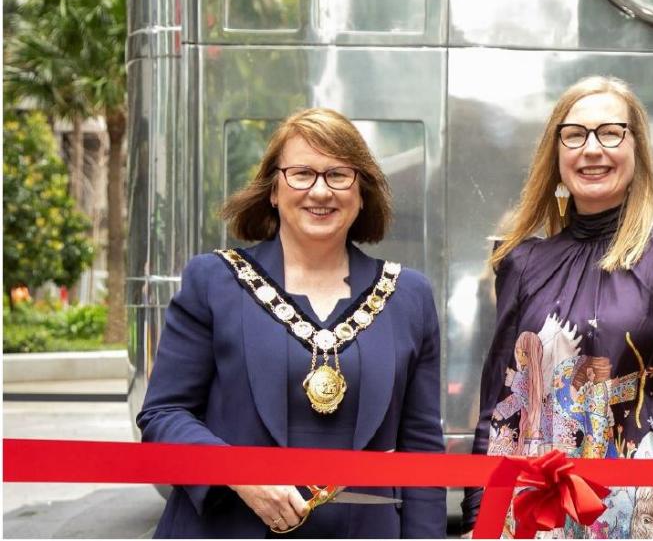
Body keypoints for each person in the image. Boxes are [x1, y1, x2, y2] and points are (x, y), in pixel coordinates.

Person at [137, 108, 446, 538]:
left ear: (362, 193)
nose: (320, 191)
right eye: (301, 174)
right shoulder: (213, 282)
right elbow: (162, 415)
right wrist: (239, 473)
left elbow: (423, 451)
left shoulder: (409, 296)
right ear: (273, 191)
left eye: (338, 175)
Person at [462, 76, 653, 538]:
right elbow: (500, 407)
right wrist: (478, 521)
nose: (592, 149)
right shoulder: (524, 264)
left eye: (611, 132)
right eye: (575, 134)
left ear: (636, 149)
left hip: (642, 519)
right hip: (533, 518)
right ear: (557, 153)